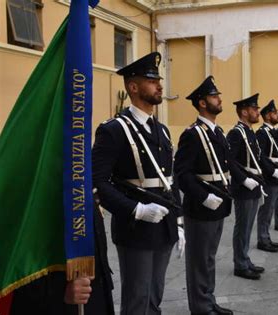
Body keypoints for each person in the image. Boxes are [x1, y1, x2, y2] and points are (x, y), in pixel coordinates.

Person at [92, 52, 185, 315]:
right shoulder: (114, 129)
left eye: (158, 80)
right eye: (151, 80)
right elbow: (98, 182)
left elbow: (171, 179)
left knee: (155, 296)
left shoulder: (162, 130)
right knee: (137, 298)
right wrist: (136, 209)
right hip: (136, 227)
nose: (159, 85)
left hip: (164, 223)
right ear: (133, 87)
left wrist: (178, 222)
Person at [174, 76, 238, 315]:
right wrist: (203, 197)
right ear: (202, 103)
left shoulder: (218, 132)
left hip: (218, 206)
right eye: (214, 96)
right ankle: (201, 307)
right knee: (199, 260)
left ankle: (208, 300)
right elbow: (182, 174)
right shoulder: (192, 134)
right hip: (201, 208)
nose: (219, 99)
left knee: (209, 257)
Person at [10, 196, 115, 315]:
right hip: (53, 303)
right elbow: (15, 261)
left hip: (93, 295)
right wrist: (59, 292)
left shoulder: (80, 182)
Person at [226, 93, 266, 280]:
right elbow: (230, 160)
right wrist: (243, 179)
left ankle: (245, 258)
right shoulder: (236, 133)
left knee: (249, 225)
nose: (257, 112)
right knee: (242, 226)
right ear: (244, 112)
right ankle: (240, 264)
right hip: (244, 187)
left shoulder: (249, 132)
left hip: (254, 184)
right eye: (254, 109)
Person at [255, 100, 278, 252]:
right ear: (268, 116)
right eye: (275, 113)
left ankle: (266, 236)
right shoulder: (262, 133)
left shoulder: (273, 132)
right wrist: (271, 170)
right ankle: (262, 239)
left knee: (271, 208)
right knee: (266, 209)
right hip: (270, 176)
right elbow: (261, 156)